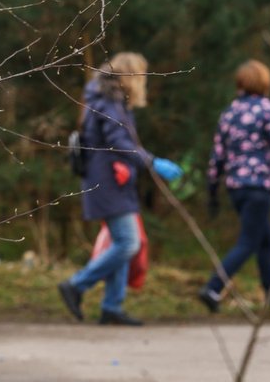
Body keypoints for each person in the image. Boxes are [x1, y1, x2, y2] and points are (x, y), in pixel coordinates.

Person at [57, 52, 183, 326]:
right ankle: (77, 285)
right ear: (130, 77)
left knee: (121, 242)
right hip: (108, 183)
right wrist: (153, 162)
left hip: (111, 182)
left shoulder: (105, 101)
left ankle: (112, 306)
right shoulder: (109, 104)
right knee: (128, 242)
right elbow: (120, 144)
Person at [198, 59, 270, 312]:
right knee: (248, 242)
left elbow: (217, 155)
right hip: (258, 186)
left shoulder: (229, 112)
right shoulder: (267, 110)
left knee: (264, 241)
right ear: (265, 83)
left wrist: (212, 188)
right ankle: (213, 287)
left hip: (236, 188)